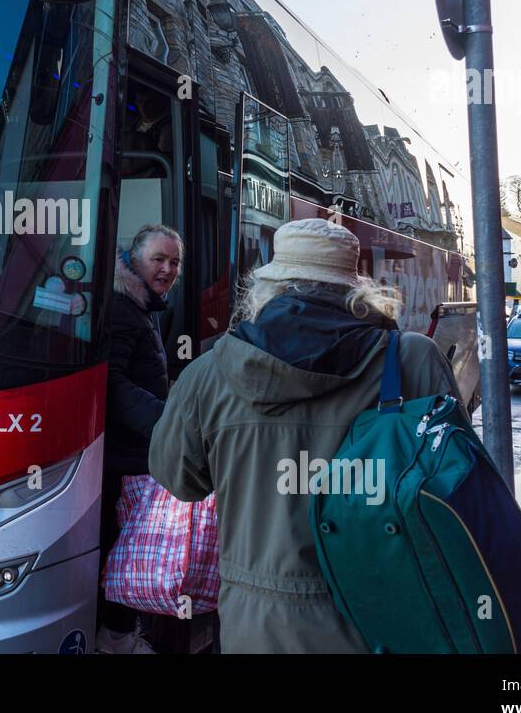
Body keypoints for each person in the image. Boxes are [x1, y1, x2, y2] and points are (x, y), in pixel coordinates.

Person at [148, 217, 458, 653]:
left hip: (257, 628)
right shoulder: (412, 360)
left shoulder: (209, 371)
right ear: (355, 289)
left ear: (269, 287)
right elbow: (456, 492)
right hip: (385, 622)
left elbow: (176, 477)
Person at [98, 223, 184, 654]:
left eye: (174, 262)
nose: (168, 269)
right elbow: (110, 383)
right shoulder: (122, 307)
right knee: (125, 549)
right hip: (122, 458)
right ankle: (117, 640)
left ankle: (120, 635)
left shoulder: (140, 306)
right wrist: (167, 423)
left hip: (131, 453)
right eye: (159, 259)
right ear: (134, 260)